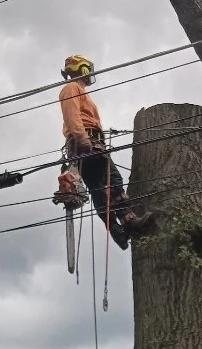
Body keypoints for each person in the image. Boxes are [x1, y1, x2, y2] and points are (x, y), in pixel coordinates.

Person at [58, 54, 153, 250]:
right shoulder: (72, 88)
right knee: (113, 182)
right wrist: (83, 138)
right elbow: (72, 115)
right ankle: (128, 221)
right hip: (87, 142)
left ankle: (118, 232)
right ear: (82, 69)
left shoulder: (79, 91)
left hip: (90, 142)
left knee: (100, 190)